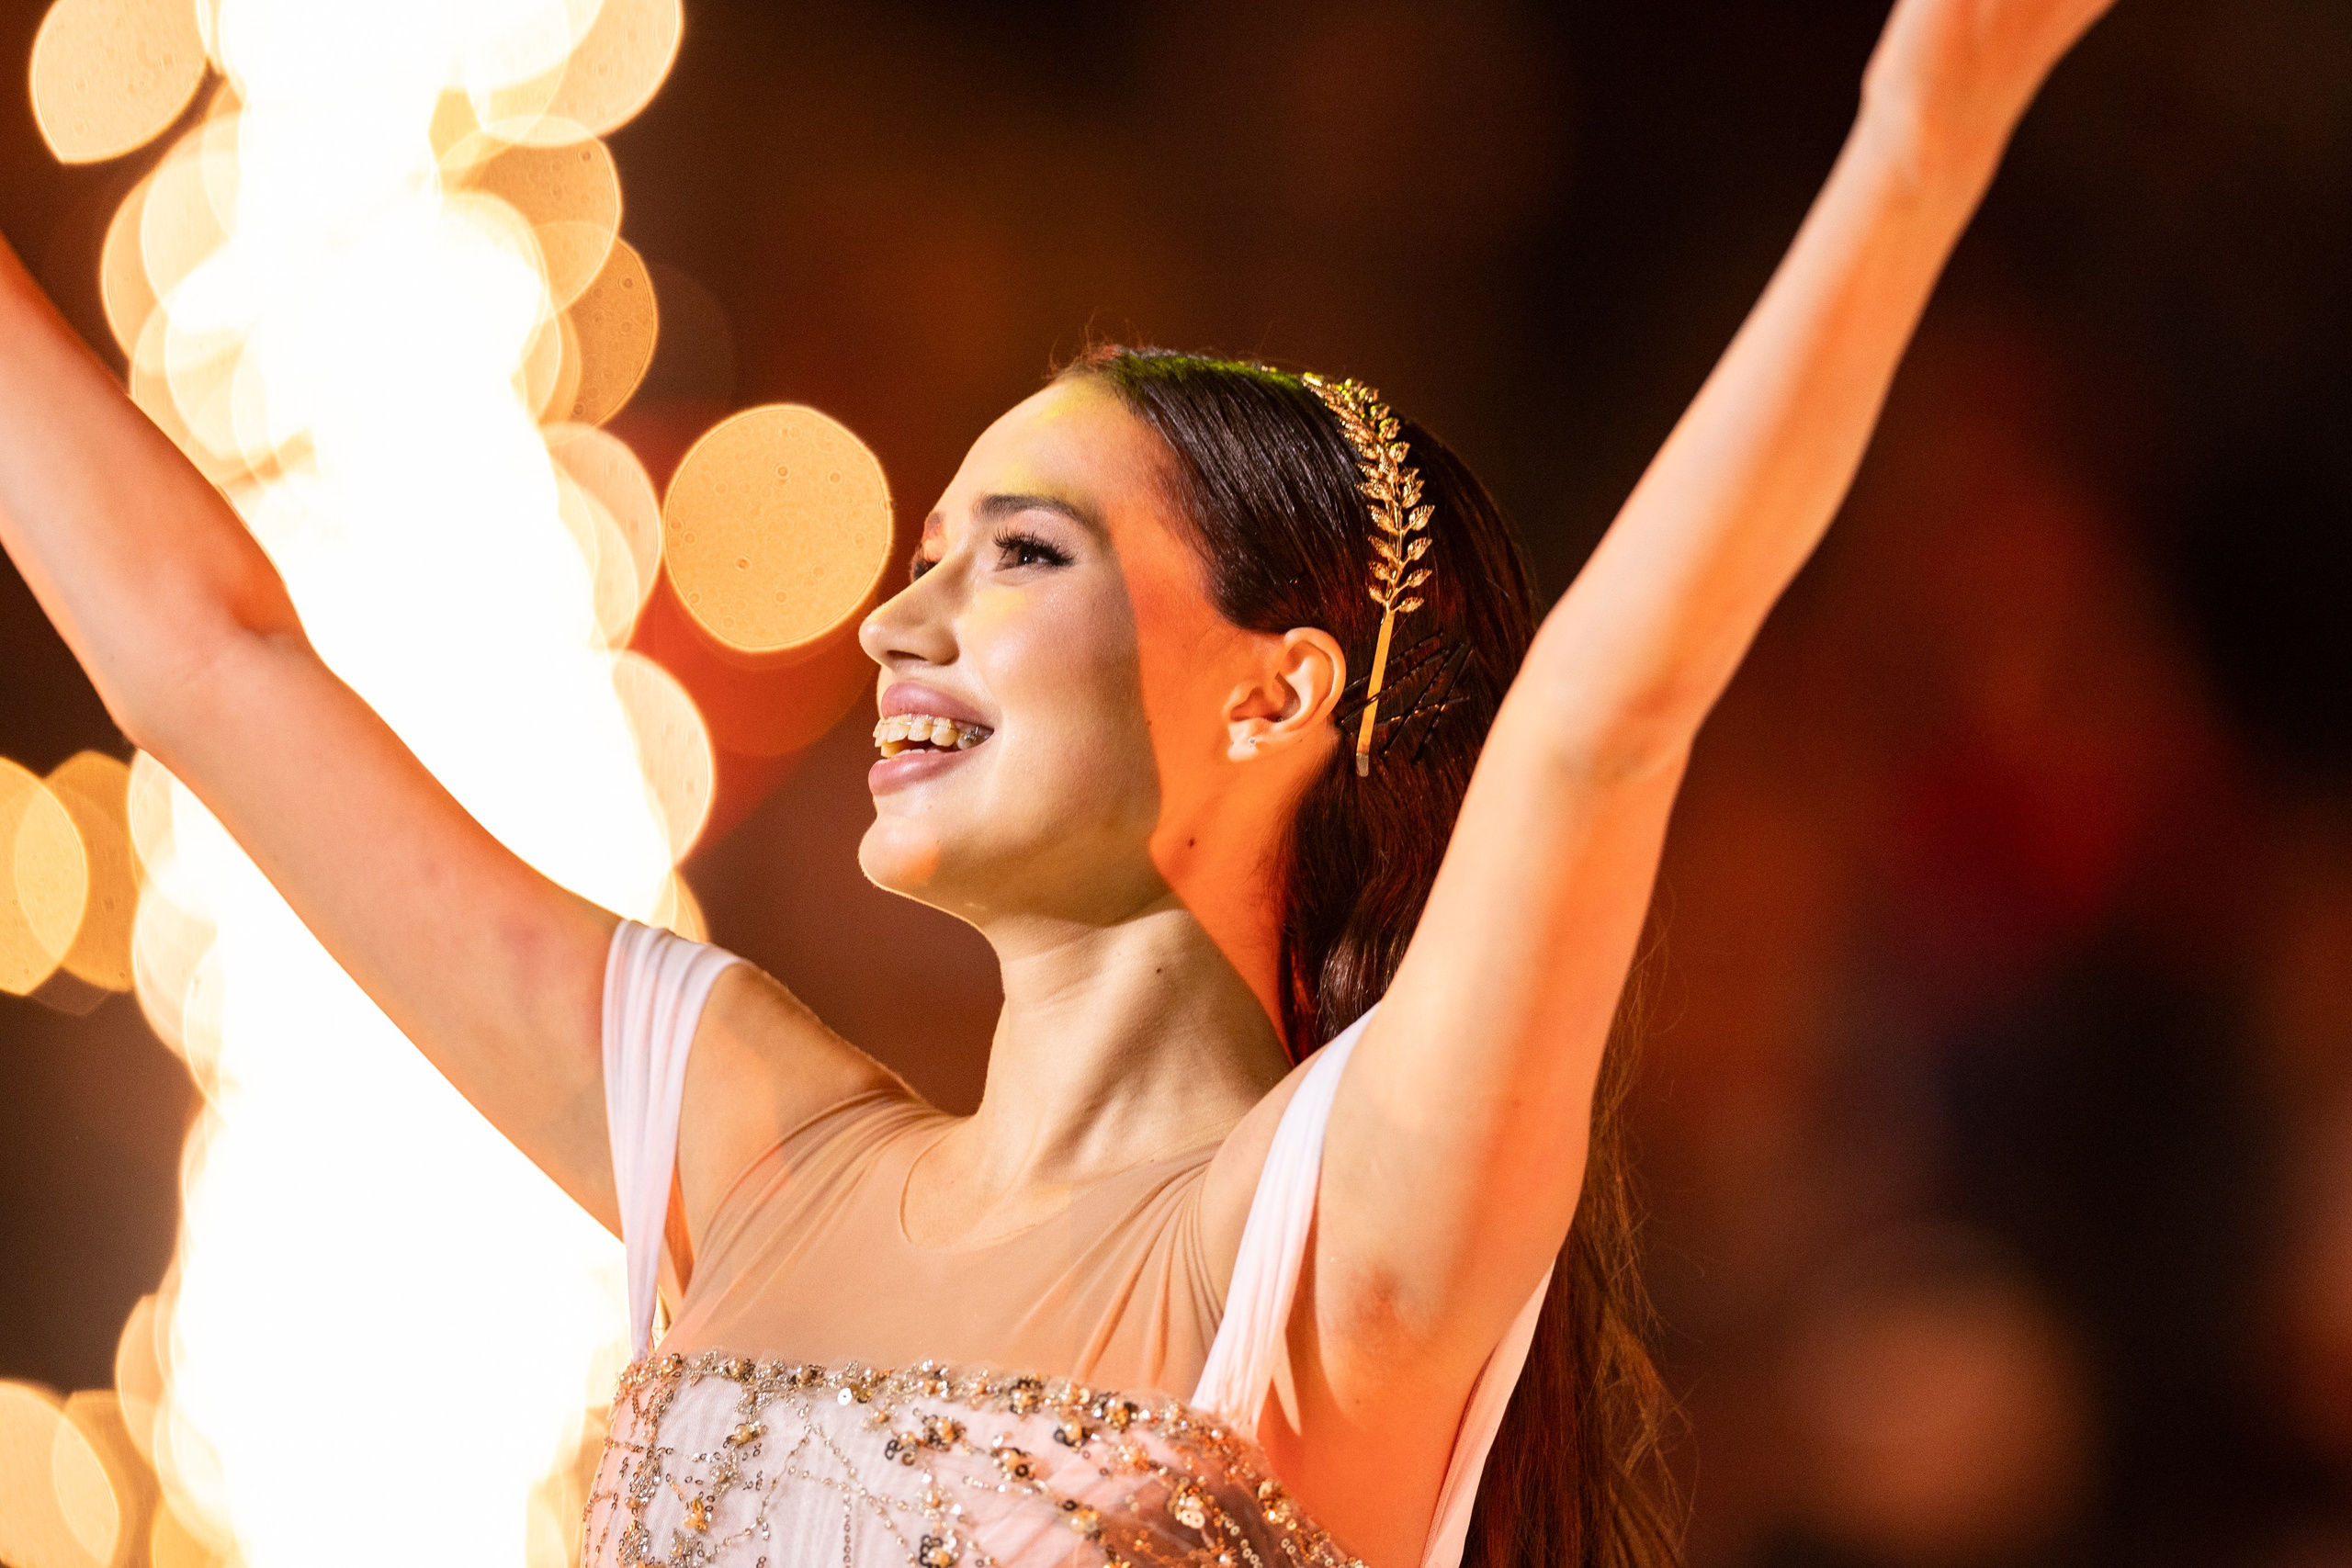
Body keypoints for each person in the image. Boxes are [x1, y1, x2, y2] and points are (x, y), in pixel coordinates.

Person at [0, 1, 2120, 1563]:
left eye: (1016, 554)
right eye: (922, 552)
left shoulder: (1324, 1239)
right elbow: (214, 662)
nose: (896, 621)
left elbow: (1601, 718)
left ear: (1273, 695)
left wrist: (1913, 139)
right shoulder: (751, 1150)